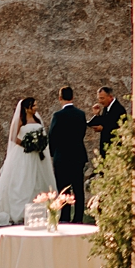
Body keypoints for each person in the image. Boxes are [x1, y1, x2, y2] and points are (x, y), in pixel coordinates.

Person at [0, 97, 56, 226]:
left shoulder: (38, 120)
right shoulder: (21, 120)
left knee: (38, 180)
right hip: (24, 155)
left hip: (37, 156)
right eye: (34, 106)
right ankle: (21, 212)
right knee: (23, 181)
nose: (36, 108)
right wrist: (27, 145)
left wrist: (39, 145)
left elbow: (42, 135)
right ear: (27, 108)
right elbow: (13, 137)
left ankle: (40, 210)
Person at [46, 87, 90, 223]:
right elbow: (82, 132)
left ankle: (65, 217)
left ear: (60, 98)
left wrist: (54, 152)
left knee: (63, 188)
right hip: (77, 155)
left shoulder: (58, 116)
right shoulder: (80, 114)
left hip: (62, 156)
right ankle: (78, 218)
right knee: (78, 188)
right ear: (73, 97)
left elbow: (52, 136)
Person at [85, 86, 126, 158]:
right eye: (99, 98)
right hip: (106, 150)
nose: (100, 101)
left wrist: (103, 129)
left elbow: (116, 128)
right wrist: (97, 114)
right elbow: (102, 122)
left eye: (102, 98)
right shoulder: (106, 108)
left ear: (110, 97)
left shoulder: (118, 109)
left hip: (114, 149)